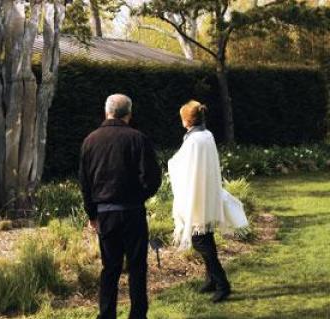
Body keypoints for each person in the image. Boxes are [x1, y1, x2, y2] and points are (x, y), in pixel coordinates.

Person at [79, 94, 162, 319]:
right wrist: (140, 196)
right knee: (137, 267)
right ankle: (137, 315)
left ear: (106, 111)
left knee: (110, 268)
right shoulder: (138, 138)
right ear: (129, 113)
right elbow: (153, 178)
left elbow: (85, 182)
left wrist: (91, 213)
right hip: (132, 211)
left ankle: (106, 315)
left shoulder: (90, 140)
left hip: (105, 213)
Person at [168, 100, 232, 303]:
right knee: (207, 239)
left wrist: (170, 162)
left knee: (201, 241)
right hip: (205, 193)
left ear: (187, 120)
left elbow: (183, 165)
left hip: (197, 197)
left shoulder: (194, 140)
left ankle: (222, 284)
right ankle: (211, 279)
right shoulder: (207, 134)